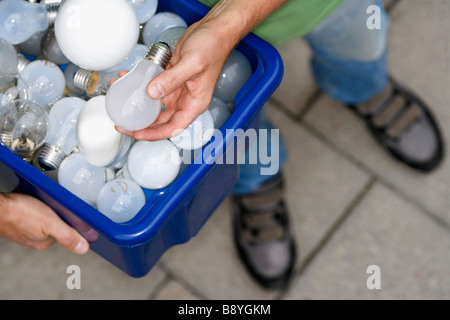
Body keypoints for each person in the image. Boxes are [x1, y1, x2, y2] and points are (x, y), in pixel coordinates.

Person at [115, 0, 444, 290]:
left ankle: (364, 89)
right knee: (229, 114)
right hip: (195, 16)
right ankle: (255, 177)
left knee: (358, 42)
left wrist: (227, 22)